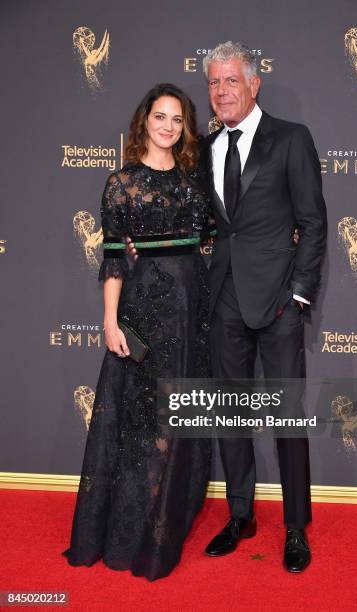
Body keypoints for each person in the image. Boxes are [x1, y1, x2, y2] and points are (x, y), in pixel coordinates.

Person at [63, 84, 212, 581]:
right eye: (160, 117)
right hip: (144, 310)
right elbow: (112, 259)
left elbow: (218, 238)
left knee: (177, 422)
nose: (168, 126)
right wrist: (109, 322)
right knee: (140, 427)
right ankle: (128, 536)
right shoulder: (121, 183)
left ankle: (163, 528)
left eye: (177, 119)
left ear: (185, 127)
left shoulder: (195, 181)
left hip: (191, 313)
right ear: (143, 121)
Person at [201, 42, 327, 572]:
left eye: (231, 81)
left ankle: (296, 527)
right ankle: (240, 515)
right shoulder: (206, 146)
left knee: (287, 415)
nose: (221, 91)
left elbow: (314, 223)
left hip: (278, 300)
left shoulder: (292, 139)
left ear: (254, 84)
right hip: (224, 297)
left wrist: (298, 295)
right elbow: (212, 226)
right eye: (213, 82)